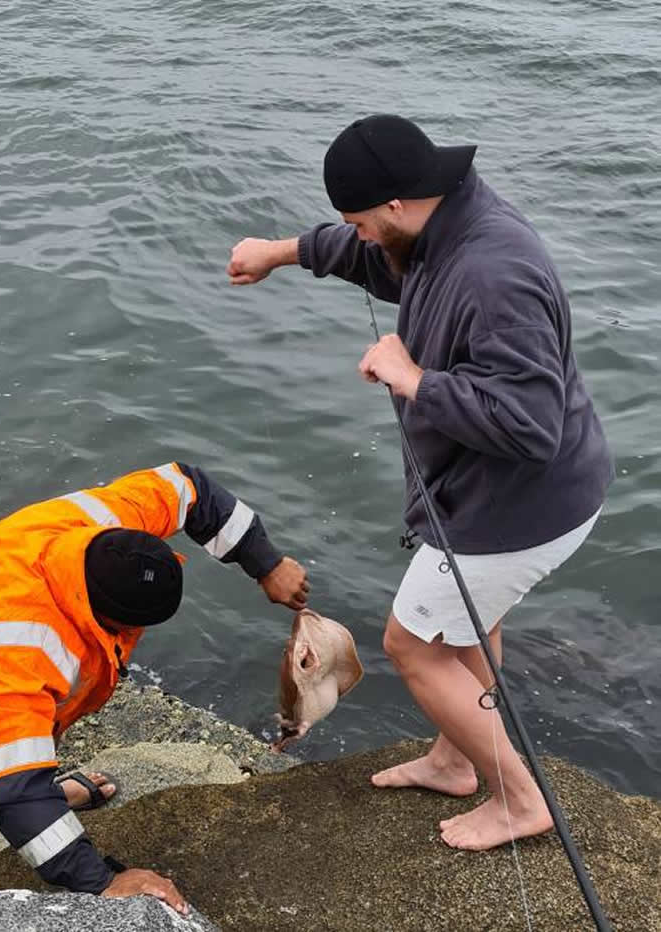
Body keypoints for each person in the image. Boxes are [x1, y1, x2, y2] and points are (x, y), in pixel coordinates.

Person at [225, 113, 613, 851]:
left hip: (519, 508)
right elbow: (374, 257)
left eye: (364, 223)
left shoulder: (494, 272)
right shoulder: (436, 222)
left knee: (413, 644)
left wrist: (413, 379)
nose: (360, 237)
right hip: (511, 494)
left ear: (398, 205)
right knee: (465, 625)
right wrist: (280, 253)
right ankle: (455, 758)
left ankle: (520, 800)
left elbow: (530, 425)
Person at [0, 461, 308, 911]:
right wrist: (102, 881)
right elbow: (13, 783)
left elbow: (189, 487)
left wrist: (267, 563)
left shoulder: (107, 526)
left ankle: (37, 794)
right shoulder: (19, 651)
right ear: (107, 617)